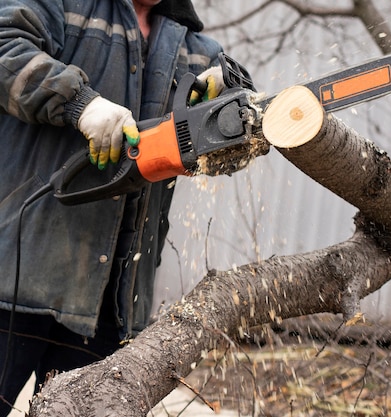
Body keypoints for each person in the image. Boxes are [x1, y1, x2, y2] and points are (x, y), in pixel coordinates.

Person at [0, 0, 227, 414]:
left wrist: (225, 112)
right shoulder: (62, 5)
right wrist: (80, 102)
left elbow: (231, 149)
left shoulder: (198, 52)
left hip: (113, 299)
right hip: (16, 276)